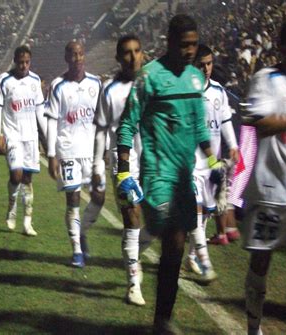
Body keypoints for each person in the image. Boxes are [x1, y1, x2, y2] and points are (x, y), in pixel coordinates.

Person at [116, 15, 223, 333]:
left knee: (175, 249)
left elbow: (199, 128)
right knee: (175, 239)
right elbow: (127, 123)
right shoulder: (149, 77)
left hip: (183, 176)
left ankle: (162, 316)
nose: (190, 50)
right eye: (184, 44)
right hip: (157, 174)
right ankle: (162, 317)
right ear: (170, 41)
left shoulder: (194, 79)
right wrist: (123, 171)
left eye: (194, 44)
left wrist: (214, 162)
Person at [242, 16, 286, 335]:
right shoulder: (265, 79)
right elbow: (261, 125)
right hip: (270, 193)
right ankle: (254, 328)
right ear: (282, 48)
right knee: (260, 263)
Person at [93, 34, 146, 305]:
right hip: (124, 163)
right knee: (132, 216)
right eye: (127, 52)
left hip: (153, 159)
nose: (133, 56)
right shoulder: (110, 91)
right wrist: (98, 165)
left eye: (137, 51)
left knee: (162, 217)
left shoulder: (153, 85)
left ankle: (137, 251)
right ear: (118, 58)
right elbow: (102, 129)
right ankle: (133, 281)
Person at [46, 41, 104, 268]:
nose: (78, 58)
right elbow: (51, 121)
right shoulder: (58, 86)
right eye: (73, 55)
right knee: (73, 200)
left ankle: (81, 232)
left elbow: (102, 119)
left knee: (99, 197)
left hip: (91, 151)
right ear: (66, 58)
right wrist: (52, 154)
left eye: (80, 54)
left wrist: (104, 149)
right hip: (68, 149)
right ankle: (77, 251)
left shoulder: (96, 83)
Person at [184, 44, 239, 280]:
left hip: (212, 164)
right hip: (190, 161)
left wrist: (234, 145)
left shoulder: (218, 91)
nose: (206, 68)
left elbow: (225, 120)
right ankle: (205, 263)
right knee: (196, 210)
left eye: (209, 63)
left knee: (206, 213)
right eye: (201, 64)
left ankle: (191, 258)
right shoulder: (184, 92)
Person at [0, 45, 46, 236]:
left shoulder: (35, 80)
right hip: (12, 135)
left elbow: (40, 110)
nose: (23, 65)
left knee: (28, 179)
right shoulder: (4, 80)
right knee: (16, 175)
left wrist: (45, 136)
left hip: (30, 136)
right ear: (15, 61)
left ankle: (27, 222)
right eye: (20, 62)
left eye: (27, 62)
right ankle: (12, 206)